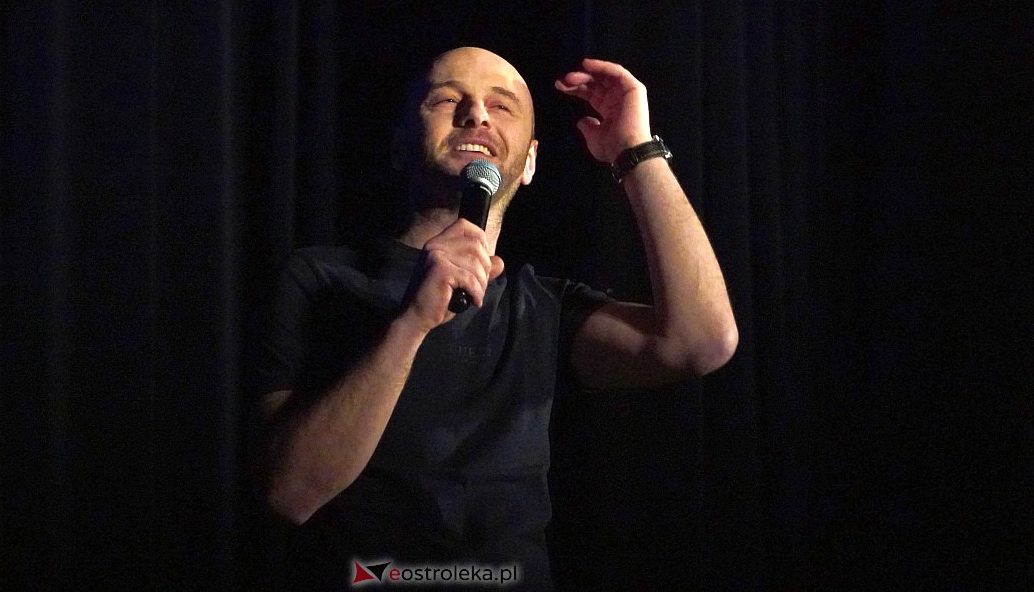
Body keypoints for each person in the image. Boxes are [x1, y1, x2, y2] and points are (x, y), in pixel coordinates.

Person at [249, 47, 737, 590]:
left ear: (528, 164)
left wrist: (635, 149)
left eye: (501, 106)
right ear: (400, 145)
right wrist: (412, 323)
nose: (476, 114)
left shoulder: (540, 308)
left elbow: (701, 341)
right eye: (447, 100)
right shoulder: (318, 279)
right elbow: (289, 494)